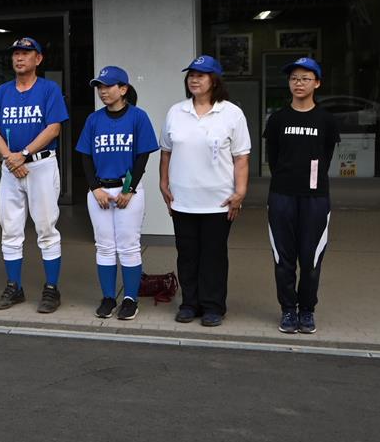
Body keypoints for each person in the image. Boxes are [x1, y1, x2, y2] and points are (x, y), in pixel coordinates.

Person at [159, 55, 251, 327]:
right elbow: (166, 152)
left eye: (201, 75)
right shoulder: (176, 111)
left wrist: (240, 192)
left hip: (218, 200)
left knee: (213, 255)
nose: (194, 80)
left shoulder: (231, 113)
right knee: (187, 254)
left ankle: (213, 306)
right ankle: (189, 303)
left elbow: (241, 158)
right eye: (191, 75)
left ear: (215, 80)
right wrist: (163, 183)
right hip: (183, 199)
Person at [0, 37, 69, 313]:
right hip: (11, 167)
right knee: (10, 228)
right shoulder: (1, 92)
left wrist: (24, 154)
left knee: (46, 228)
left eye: (26, 53)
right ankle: (14, 286)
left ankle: (51, 289)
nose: (19, 58)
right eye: (16, 54)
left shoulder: (49, 89)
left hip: (40, 165)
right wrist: (11, 158)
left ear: (38, 59)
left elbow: (54, 128)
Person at [75, 67, 160, 320]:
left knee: (129, 245)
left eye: (108, 86)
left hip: (127, 189)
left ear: (123, 89)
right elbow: (85, 157)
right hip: (99, 190)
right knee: (104, 246)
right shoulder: (94, 119)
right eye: (99, 87)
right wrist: (95, 188)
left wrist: (128, 189)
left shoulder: (137, 117)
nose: (102, 91)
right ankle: (108, 297)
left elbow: (142, 157)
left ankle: (130, 299)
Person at [264, 57, 339, 335]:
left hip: (315, 199)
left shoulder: (326, 120)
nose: (299, 83)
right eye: (294, 78)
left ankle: (307, 310)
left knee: (311, 259)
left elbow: (326, 155)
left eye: (305, 78)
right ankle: (288, 310)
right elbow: (273, 157)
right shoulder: (278, 119)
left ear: (317, 83)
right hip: (281, 196)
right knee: (283, 259)